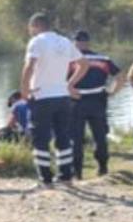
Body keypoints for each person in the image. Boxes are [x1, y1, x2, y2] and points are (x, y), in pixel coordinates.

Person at [20, 13, 87, 185]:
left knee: (40, 139)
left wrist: (24, 91)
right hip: (62, 96)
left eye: (30, 28)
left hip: (42, 96)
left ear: (35, 25)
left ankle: (46, 179)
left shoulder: (37, 41)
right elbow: (84, 64)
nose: (30, 31)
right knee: (63, 136)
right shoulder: (65, 41)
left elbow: (29, 67)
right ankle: (66, 176)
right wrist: (69, 84)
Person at [67, 30, 121, 177]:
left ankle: (77, 172)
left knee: (76, 138)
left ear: (74, 43)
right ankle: (103, 168)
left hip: (76, 100)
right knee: (100, 135)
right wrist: (112, 91)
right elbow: (120, 76)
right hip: (98, 100)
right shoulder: (103, 59)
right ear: (88, 42)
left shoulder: (69, 60)